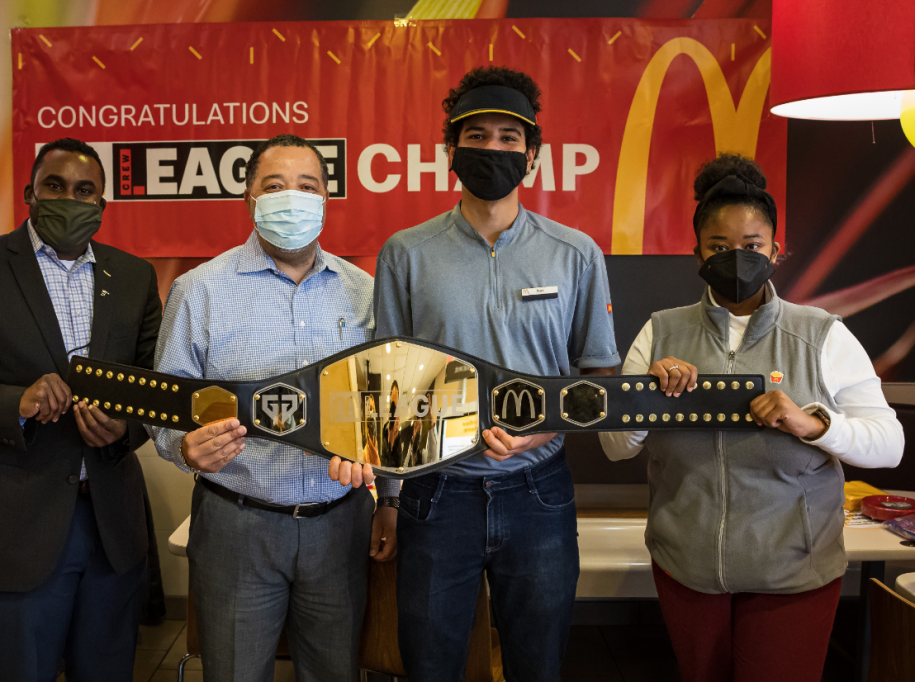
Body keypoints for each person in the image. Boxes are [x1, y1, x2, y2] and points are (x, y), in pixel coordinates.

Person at [332, 66, 621, 681]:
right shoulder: (406, 253)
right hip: (435, 496)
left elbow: (597, 376)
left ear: (534, 154)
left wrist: (540, 431)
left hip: (539, 495)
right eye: (478, 136)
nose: (493, 149)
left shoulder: (576, 253)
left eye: (509, 138)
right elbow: (387, 385)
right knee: (429, 665)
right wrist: (388, 499)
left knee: (537, 665)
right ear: (451, 150)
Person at [600, 153, 905, 682]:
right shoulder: (660, 332)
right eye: (719, 247)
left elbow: (889, 444)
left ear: (776, 252)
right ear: (696, 252)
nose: (735, 258)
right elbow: (616, 446)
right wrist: (647, 399)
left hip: (794, 571)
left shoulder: (822, 334)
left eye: (752, 246)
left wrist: (816, 424)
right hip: (687, 569)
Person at [0, 137, 163, 682]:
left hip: (111, 525)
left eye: (84, 190)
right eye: (55, 186)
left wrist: (127, 426)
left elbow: (155, 388)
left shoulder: (134, 277)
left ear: (101, 205)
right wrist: (13, 404)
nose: (69, 199)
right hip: (15, 527)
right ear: (29, 193)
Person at [150, 134, 398, 682]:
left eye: (307, 187)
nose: (292, 198)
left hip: (341, 523)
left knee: (336, 672)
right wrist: (182, 446)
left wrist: (391, 501)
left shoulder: (364, 293)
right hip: (237, 524)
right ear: (249, 198)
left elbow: (387, 406)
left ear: (327, 200)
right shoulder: (198, 291)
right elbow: (166, 407)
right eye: (275, 185)